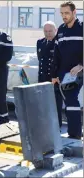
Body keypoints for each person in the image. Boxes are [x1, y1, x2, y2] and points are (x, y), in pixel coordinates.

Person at [51, 1, 83, 139]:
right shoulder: (61, 30)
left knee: (71, 100)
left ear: (74, 12)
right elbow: (56, 54)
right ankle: (74, 134)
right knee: (70, 100)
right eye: (62, 13)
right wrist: (54, 74)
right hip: (66, 74)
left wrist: (81, 65)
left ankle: (74, 133)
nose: (64, 16)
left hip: (80, 70)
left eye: (67, 13)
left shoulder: (82, 28)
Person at [36, 21, 63, 128]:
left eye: (50, 31)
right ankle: (44, 127)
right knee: (43, 105)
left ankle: (57, 128)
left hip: (54, 79)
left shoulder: (59, 43)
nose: (48, 33)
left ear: (55, 30)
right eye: (45, 31)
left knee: (55, 106)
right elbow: (41, 60)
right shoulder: (40, 42)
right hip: (42, 78)